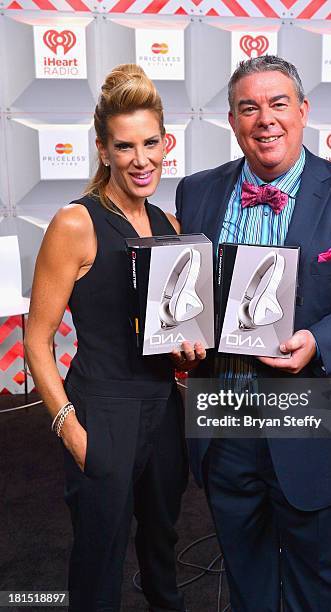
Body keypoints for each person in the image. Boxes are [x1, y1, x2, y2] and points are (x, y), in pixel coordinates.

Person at [175, 56, 331, 611]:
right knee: (247, 578)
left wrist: (321, 339)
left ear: (303, 112)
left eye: (279, 103)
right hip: (225, 419)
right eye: (249, 107)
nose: (266, 119)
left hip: (316, 420)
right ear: (234, 122)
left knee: (319, 580)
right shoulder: (196, 193)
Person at [24, 64, 204, 612]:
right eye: (125, 147)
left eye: (151, 143)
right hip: (100, 410)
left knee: (161, 551)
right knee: (99, 563)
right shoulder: (75, 222)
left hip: (162, 412)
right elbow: (37, 339)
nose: (141, 159)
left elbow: (170, 338)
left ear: (166, 143)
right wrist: (69, 429)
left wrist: (188, 357)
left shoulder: (171, 226)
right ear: (103, 150)